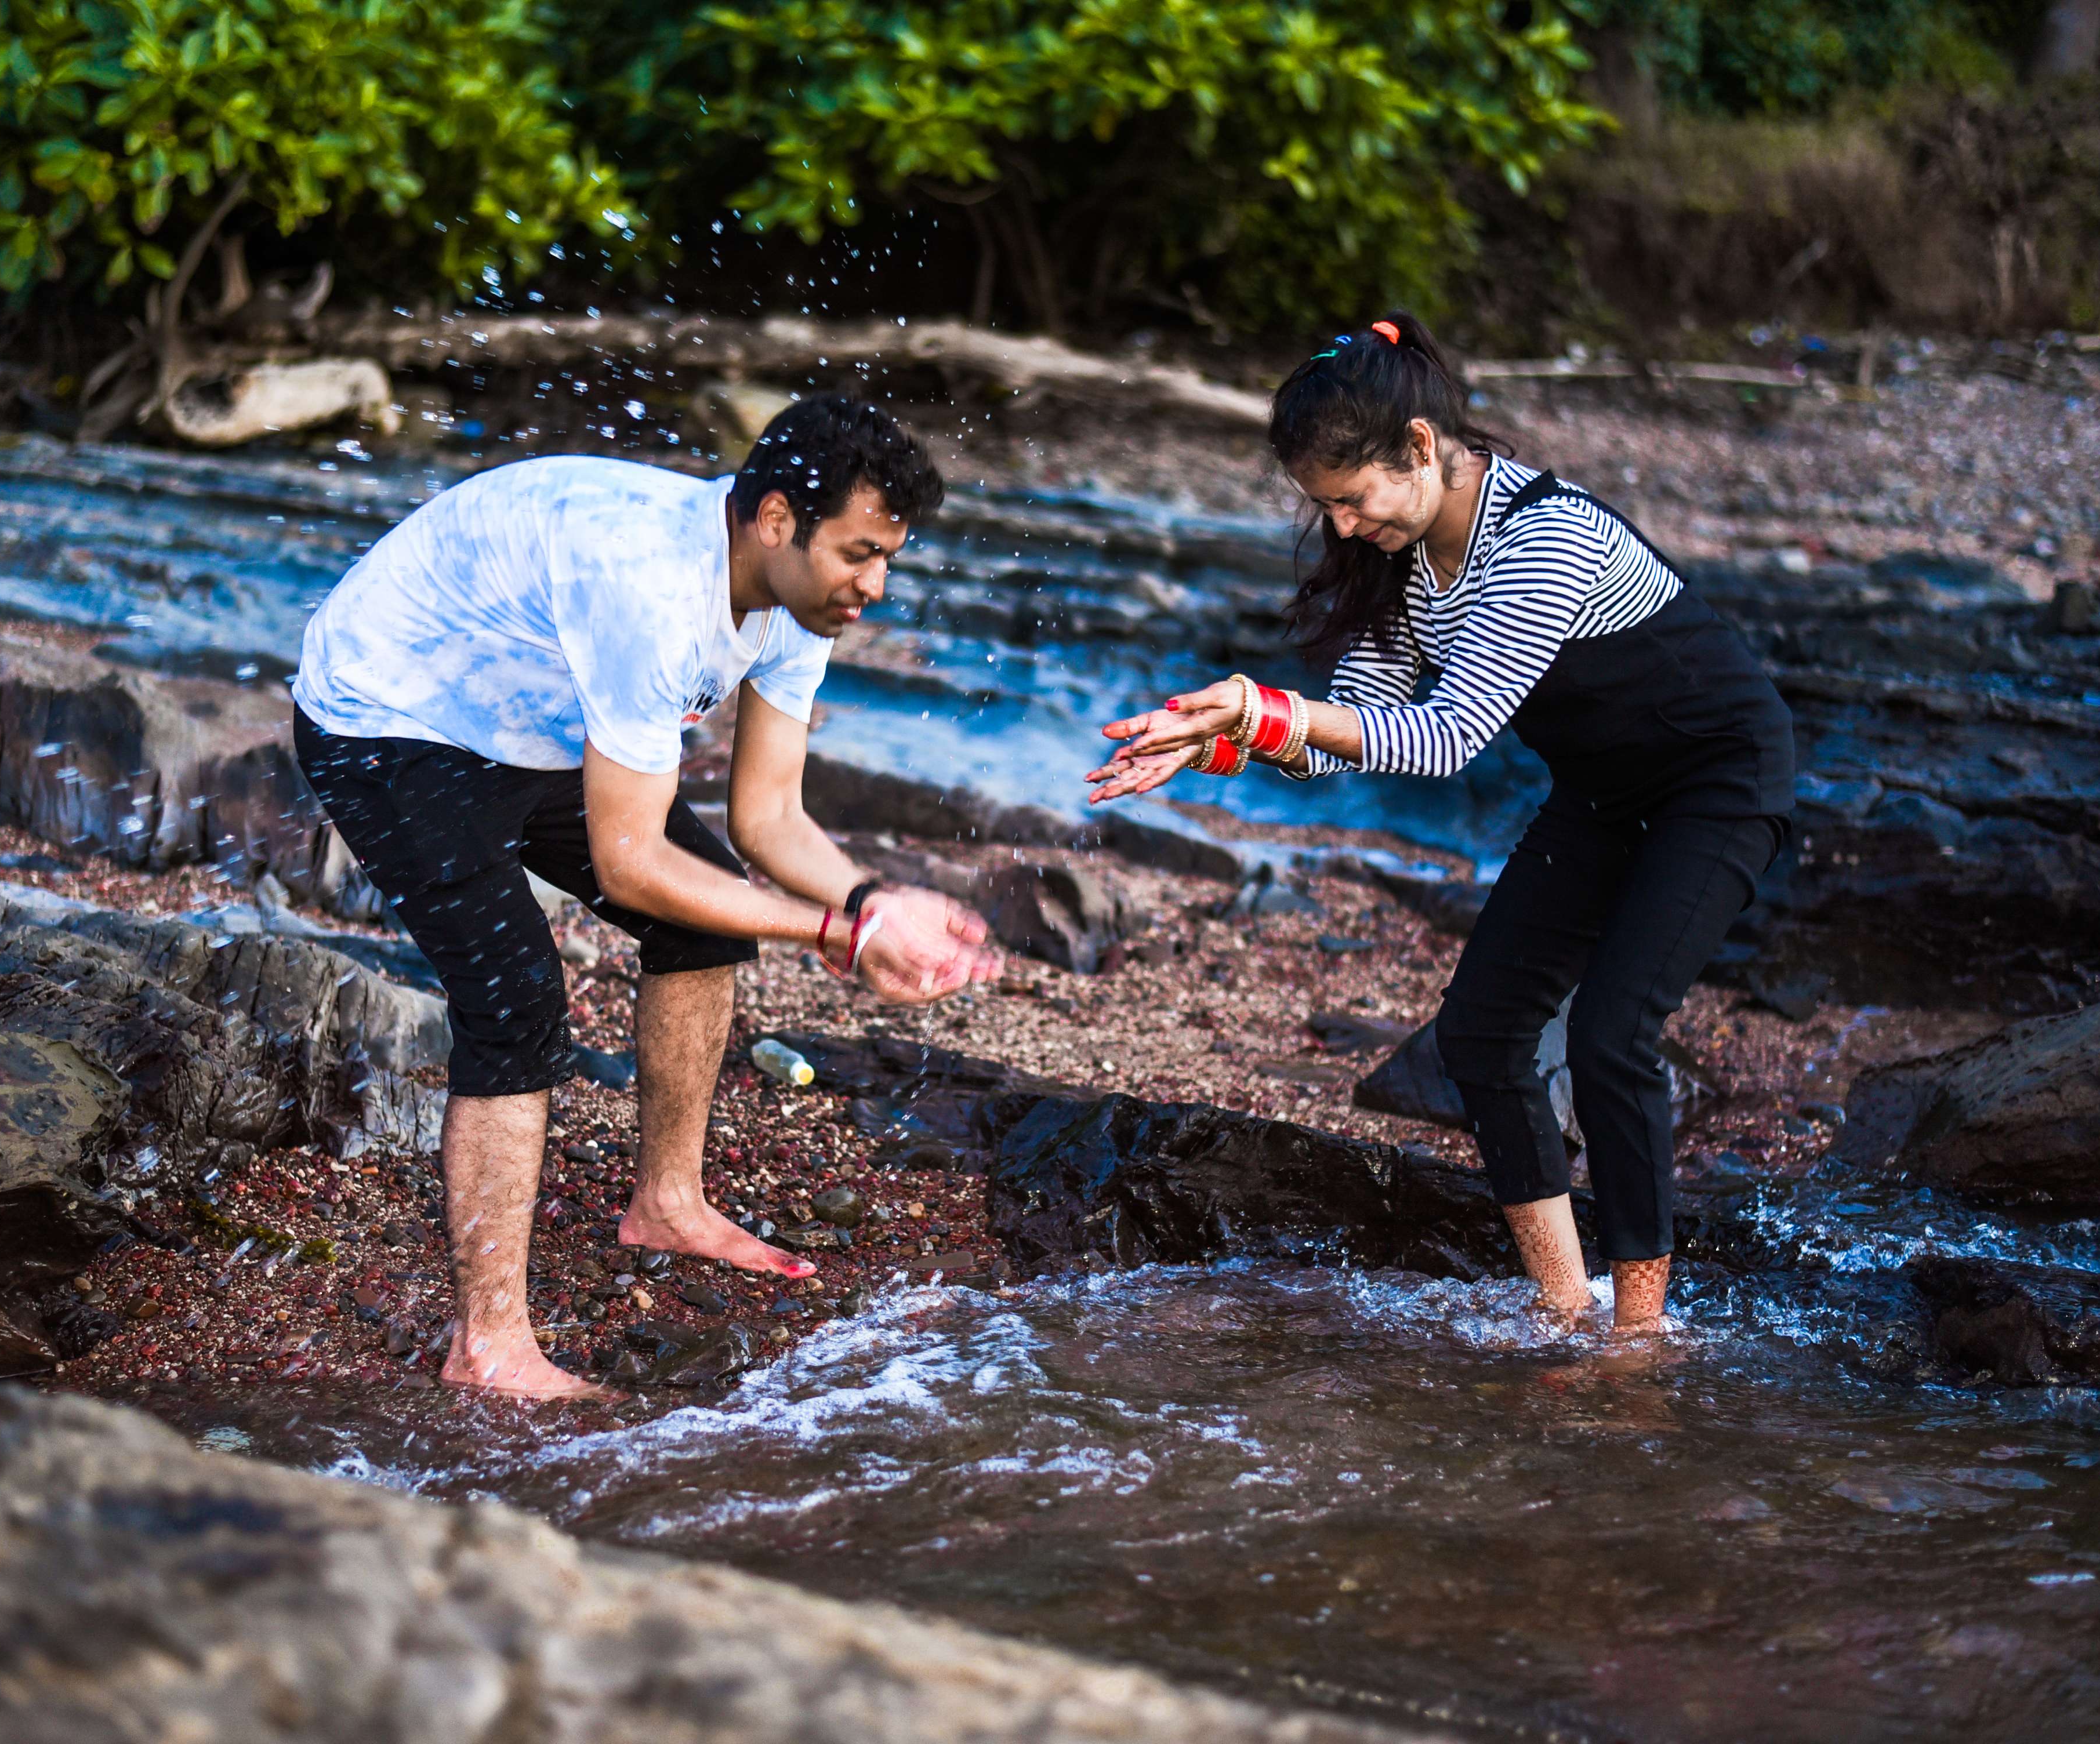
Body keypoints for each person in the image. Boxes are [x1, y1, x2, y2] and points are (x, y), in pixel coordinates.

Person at [1085, 315, 1794, 1338]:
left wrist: (1261, 704)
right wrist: (1221, 742)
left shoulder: (1546, 534)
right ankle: (1563, 1307)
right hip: (1605, 793)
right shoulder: (1404, 557)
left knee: (1610, 1037)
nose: (1339, 528)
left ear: (1421, 447)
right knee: (1482, 1034)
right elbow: (1354, 733)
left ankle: (1640, 1339)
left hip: (1719, 782)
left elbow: (1445, 737)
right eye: (1322, 506)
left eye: (1350, 499)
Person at [293, 395, 1002, 1396]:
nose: (875, 585)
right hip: (389, 725)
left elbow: (768, 819)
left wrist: (878, 897)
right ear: (774, 521)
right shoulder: (652, 586)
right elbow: (629, 868)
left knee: (704, 928)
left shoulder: (801, 597)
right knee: (517, 1001)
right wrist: (838, 931)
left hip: (532, 728)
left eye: (887, 556)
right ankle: (488, 1345)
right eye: (859, 554)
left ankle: (666, 1203)